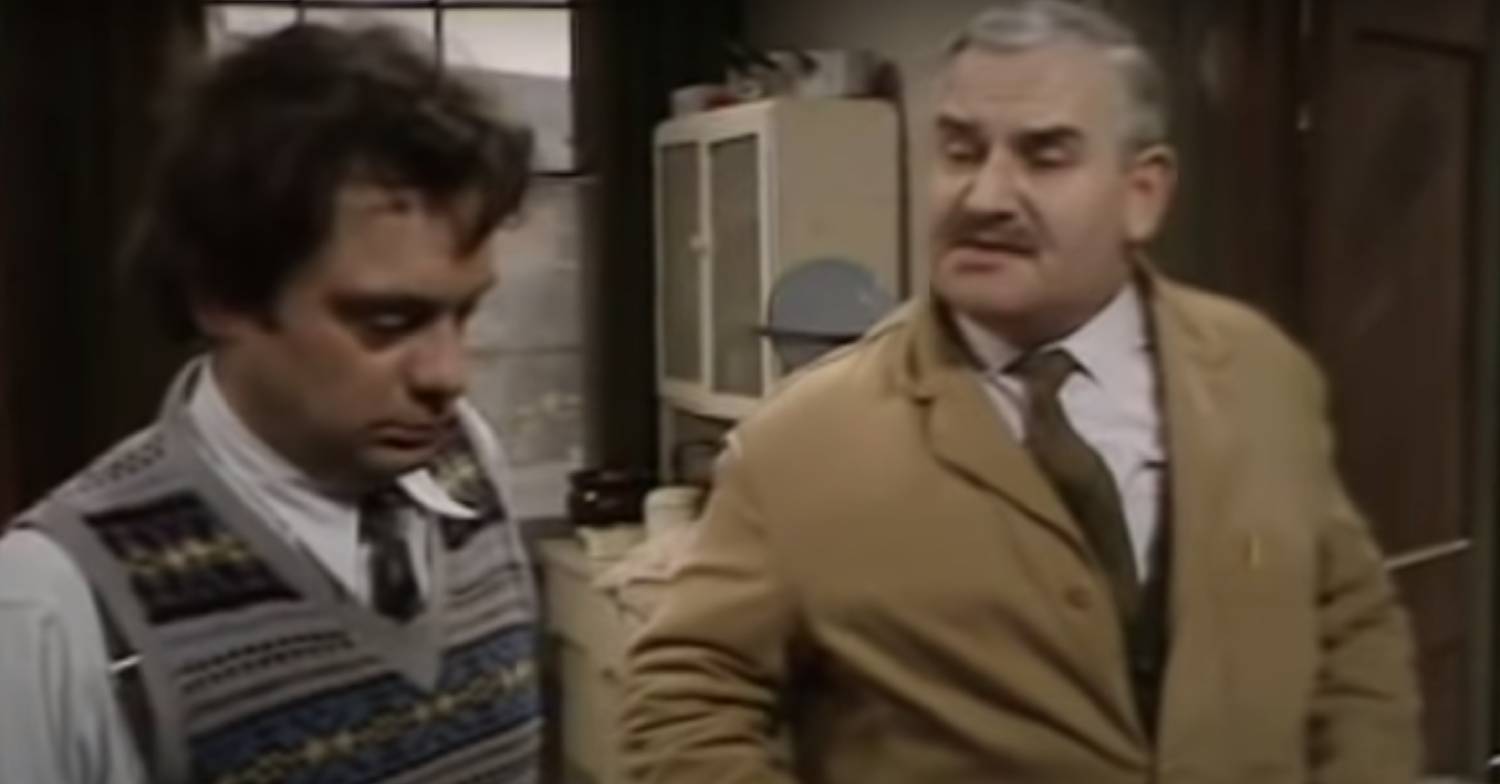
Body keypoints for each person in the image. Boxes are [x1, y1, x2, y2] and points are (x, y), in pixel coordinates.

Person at [619, 2, 1422, 782]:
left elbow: (1350, 626)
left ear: (1141, 194)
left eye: (1045, 156)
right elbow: (684, 703)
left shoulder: (1259, 373)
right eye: (960, 151)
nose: (986, 196)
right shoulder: (801, 442)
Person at [0, 24, 541, 784]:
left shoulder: (469, 462)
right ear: (223, 295)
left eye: (466, 312)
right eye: (388, 322)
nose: (449, 375)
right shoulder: (53, 605)